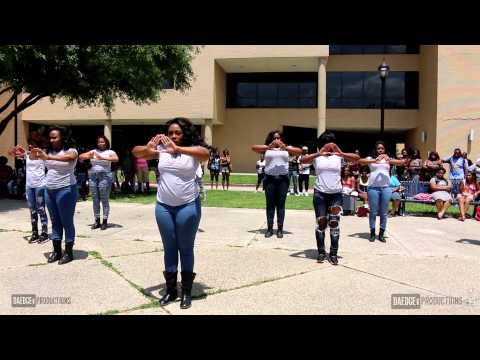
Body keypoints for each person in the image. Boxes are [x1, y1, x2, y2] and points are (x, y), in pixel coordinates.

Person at [132, 117, 209, 309]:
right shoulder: (161, 151)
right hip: (164, 206)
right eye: (170, 133)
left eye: (178, 133)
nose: (173, 136)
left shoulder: (191, 151)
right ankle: (171, 289)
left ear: (185, 134)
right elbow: (137, 152)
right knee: (169, 248)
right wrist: (149, 146)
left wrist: (178, 149)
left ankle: (187, 292)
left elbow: (205, 153)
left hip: (187, 205)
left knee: (185, 248)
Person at [300, 131, 360, 265]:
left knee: (334, 223)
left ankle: (333, 253)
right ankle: (321, 252)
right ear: (322, 144)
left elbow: (356, 158)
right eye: (327, 143)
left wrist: (339, 151)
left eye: (332, 143)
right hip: (320, 194)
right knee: (321, 223)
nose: (330, 146)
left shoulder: (339, 157)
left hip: (336, 194)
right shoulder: (317, 157)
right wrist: (319, 152)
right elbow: (302, 161)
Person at [30, 127, 78, 264]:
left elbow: (70, 158)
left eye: (55, 137)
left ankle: (69, 252)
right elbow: (34, 156)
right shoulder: (47, 151)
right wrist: (26, 153)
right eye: (50, 137)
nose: (52, 140)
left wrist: (47, 157)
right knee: (55, 221)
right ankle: (56, 250)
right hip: (49, 190)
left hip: (66, 189)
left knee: (66, 221)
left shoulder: (71, 150)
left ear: (62, 138)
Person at [251, 130, 302, 238]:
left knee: (281, 205)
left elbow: (299, 151)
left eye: (279, 138)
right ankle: (269, 229)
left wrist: (285, 146)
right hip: (269, 179)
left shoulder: (286, 148)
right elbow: (253, 147)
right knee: (270, 205)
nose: (276, 140)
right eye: (274, 138)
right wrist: (269, 146)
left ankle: (280, 229)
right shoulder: (267, 148)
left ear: (282, 139)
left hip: (283, 179)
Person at [359, 141, 406, 242]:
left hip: (386, 188)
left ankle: (381, 233)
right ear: (375, 150)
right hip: (373, 188)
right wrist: (374, 160)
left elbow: (402, 162)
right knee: (373, 211)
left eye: (382, 148)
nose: (380, 150)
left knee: (384, 212)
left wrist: (389, 159)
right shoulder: (371, 159)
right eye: (378, 148)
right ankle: (372, 232)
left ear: (384, 150)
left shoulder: (387, 159)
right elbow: (360, 161)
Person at [9, 136, 49, 243]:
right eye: (29, 144)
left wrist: (38, 151)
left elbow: (49, 161)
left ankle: (44, 233)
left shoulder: (42, 154)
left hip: (40, 185)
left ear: (38, 144)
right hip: (29, 185)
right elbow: (11, 154)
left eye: (33, 144)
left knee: (41, 208)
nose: (30, 146)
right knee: (32, 209)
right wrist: (15, 148)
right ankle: (34, 232)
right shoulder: (27, 154)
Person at [79, 135, 119, 230]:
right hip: (93, 176)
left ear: (106, 142)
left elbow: (116, 159)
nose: (101, 143)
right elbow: (80, 157)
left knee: (104, 199)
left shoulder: (110, 152)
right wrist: (87, 156)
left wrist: (102, 158)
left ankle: (104, 221)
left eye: (102, 141)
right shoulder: (93, 151)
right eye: (99, 142)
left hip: (105, 176)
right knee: (95, 199)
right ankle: (97, 220)